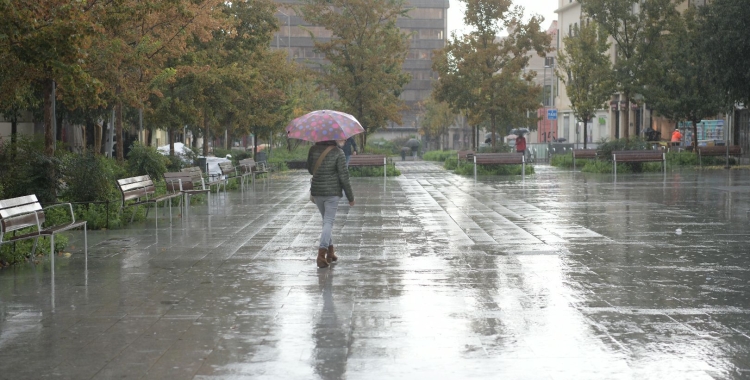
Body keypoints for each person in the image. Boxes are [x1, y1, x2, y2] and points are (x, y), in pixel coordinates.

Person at [307, 140, 355, 268]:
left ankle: (331, 252)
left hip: (317, 192)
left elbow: (311, 170)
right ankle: (321, 255)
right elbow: (344, 176)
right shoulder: (338, 152)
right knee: (328, 222)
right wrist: (351, 197)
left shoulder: (313, 150)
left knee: (326, 221)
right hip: (332, 193)